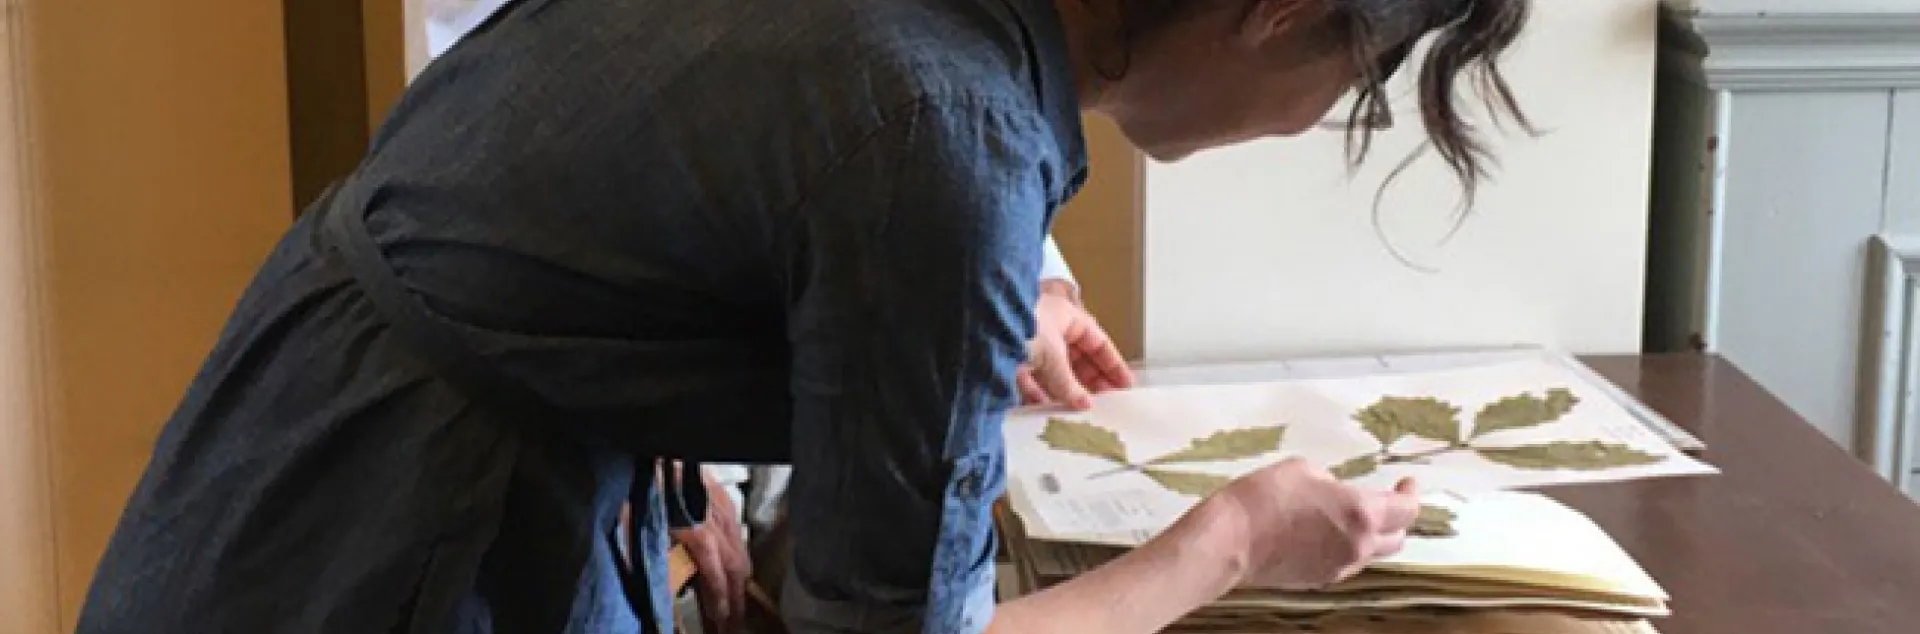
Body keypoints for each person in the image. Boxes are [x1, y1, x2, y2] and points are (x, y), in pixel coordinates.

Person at [74, 1, 1532, 634]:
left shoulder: (939, 88)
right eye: (1369, 66)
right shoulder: (943, 137)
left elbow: (608, 188)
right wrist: (1229, 543)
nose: (1332, 109)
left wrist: (669, 448)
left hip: (297, 449)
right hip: (377, 552)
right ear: (1282, 10)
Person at [417, 9, 1120, 632]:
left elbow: (910, 100)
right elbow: (516, 154)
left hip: (783, 322)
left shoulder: (956, 110)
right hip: (564, 387)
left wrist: (1038, 280)